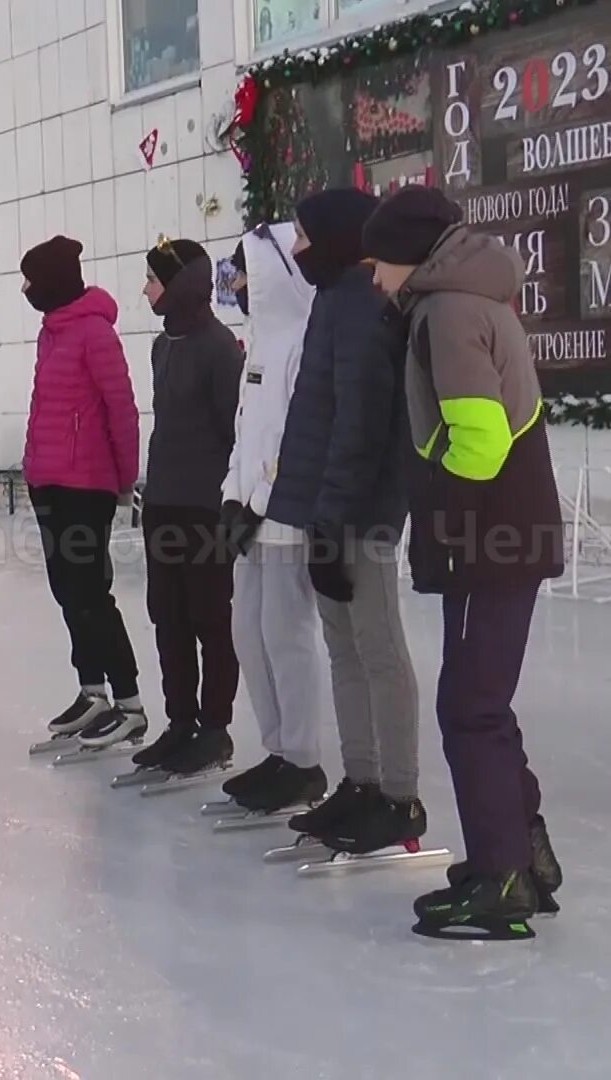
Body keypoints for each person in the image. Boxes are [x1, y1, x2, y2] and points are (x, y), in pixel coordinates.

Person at [362, 186, 563, 940]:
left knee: (470, 709)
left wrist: (439, 517)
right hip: (506, 533)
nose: (373, 277)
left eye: (378, 261)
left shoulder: (446, 312)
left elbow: (478, 443)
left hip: (491, 536)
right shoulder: (467, 301)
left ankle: (504, 879)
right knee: (483, 704)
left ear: (411, 255)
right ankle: (520, 855)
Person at [266, 192, 427, 851]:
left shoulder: (362, 303)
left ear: (334, 237)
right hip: (326, 509)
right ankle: (361, 783)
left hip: (360, 510)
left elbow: (358, 424)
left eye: (303, 236)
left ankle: (400, 796)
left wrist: (333, 519)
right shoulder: (335, 299)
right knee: (343, 646)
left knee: (378, 647)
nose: (297, 249)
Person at [117, 237, 242, 782]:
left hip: (205, 508)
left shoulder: (219, 348)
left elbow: (230, 431)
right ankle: (180, 722)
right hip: (163, 504)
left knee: (209, 618)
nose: (145, 288)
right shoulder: (162, 347)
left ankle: (215, 729)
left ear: (181, 283)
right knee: (166, 616)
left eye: (153, 278)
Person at [214, 222, 324, 813]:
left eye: (243, 272)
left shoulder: (302, 342)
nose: (235, 283)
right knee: (247, 632)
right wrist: (232, 496)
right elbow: (244, 433)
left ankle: (303, 759)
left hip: (284, 516)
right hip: (252, 516)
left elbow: (292, 439)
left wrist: (257, 501)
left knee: (286, 634)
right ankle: (278, 749)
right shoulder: (259, 342)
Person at [19, 235, 145, 746]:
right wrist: (32, 468)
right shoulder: (50, 332)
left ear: (53, 281)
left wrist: (124, 479)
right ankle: (92, 691)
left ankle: (129, 701)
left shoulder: (95, 332)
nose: (25, 289)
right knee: (67, 591)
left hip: (86, 484)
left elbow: (122, 409)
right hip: (47, 479)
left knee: (92, 594)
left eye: (31, 279)